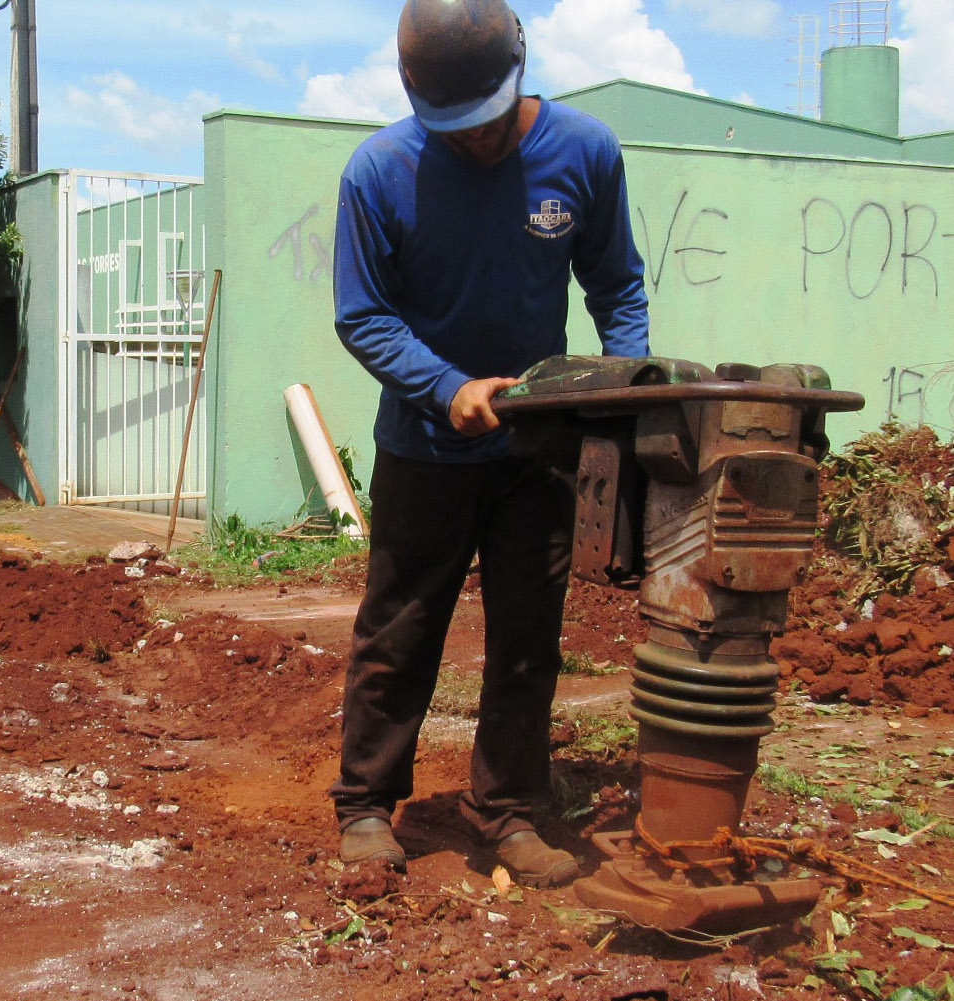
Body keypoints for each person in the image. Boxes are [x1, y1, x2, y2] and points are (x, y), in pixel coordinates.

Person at [330, 0, 649, 888]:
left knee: (526, 639)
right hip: (424, 449)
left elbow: (616, 285)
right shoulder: (379, 172)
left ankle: (505, 808)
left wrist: (615, 390)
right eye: (453, 126)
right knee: (399, 630)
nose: (474, 141)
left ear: (519, 67)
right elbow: (362, 315)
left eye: (487, 119)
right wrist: (446, 386)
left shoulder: (584, 153)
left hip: (534, 454)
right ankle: (365, 805)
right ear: (411, 93)